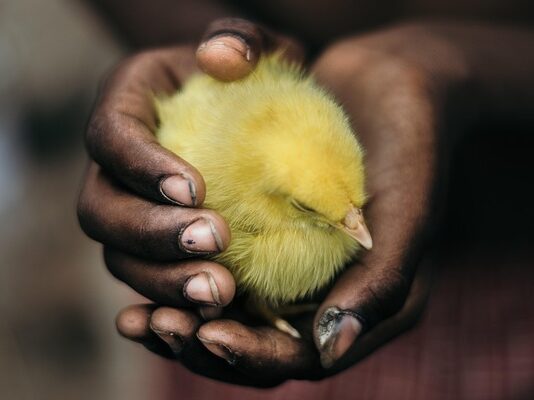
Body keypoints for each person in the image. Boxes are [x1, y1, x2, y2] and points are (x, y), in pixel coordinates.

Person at [78, 0, 534, 393]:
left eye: (353, 208)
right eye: (312, 207)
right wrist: (206, 39)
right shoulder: (233, 209)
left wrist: (452, 65)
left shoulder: (312, 168)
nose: (358, 225)